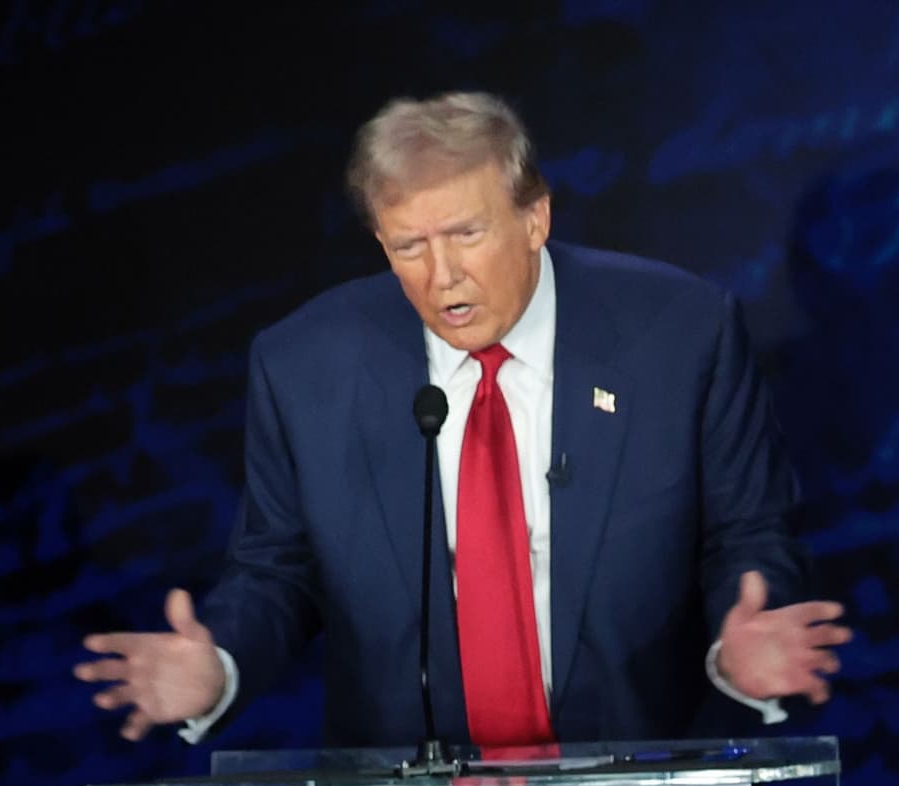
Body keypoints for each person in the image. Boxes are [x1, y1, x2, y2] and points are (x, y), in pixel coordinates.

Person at [74, 93, 849, 750]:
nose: (441, 277)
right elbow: (278, 569)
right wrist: (223, 664)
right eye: (407, 246)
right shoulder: (304, 366)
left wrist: (739, 646)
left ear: (535, 217)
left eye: (467, 236)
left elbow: (745, 535)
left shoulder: (681, 335)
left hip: (642, 781)